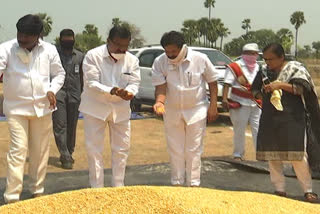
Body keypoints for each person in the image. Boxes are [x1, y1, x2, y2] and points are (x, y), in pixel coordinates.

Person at [0, 14, 65, 203]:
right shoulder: (6, 49)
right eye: (20, 33)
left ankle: (37, 191)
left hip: (43, 109)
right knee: (18, 150)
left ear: (39, 35)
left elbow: (59, 74)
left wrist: (52, 90)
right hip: (16, 109)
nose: (22, 38)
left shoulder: (49, 50)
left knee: (39, 152)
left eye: (27, 35)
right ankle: (12, 197)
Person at [251, 43, 319, 203]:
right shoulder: (264, 71)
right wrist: (264, 92)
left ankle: (308, 190)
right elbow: (255, 90)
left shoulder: (296, 69)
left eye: (271, 59)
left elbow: (302, 89)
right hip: (270, 117)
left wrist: (280, 85)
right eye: (265, 59)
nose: (267, 62)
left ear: (281, 57)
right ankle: (279, 189)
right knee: (273, 155)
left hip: (293, 117)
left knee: (298, 155)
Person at [152, 31, 219, 187]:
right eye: (167, 52)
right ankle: (176, 183)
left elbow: (213, 82)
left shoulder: (200, 59)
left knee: (193, 149)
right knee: (175, 149)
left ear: (182, 47)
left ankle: (193, 184)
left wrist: (213, 105)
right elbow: (161, 88)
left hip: (197, 109)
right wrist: (159, 103)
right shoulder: (160, 62)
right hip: (172, 111)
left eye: (173, 52)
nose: (170, 55)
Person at [79, 26, 140, 188]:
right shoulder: (93, 56)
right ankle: (97, 188)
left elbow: (135, 83)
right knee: (94, 150)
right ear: (108, 41)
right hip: (95, 108)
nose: (121, 49)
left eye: (125, 46)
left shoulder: (132, 60)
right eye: (118, 45)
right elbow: (91, 83)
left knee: (121, 149)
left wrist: (130, 92)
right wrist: (111, 90)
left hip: (120, 110)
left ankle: (118, 187)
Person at [222, 43, 262, 161]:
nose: (252, 55)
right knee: (239, 129)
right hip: (239, 101)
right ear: (243, 54)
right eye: (249, 53)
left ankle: (260, 154)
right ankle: (238, 154)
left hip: (256, 102)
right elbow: (227, 83)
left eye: (254, 53)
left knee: (258, 129)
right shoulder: (235, 67)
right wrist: (224, 99)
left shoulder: (259, 67)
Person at [52, 29, 84, 169]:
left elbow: (84, 77)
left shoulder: (80, 56)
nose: (67, 40)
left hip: (75, 95)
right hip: (58, 94)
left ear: (74, 39)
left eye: (70, 38)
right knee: (60, 125)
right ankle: (65, 155)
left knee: (72, 125)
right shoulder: (54, 55)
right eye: (65, 38)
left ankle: (69, 151)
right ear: (60, 39)